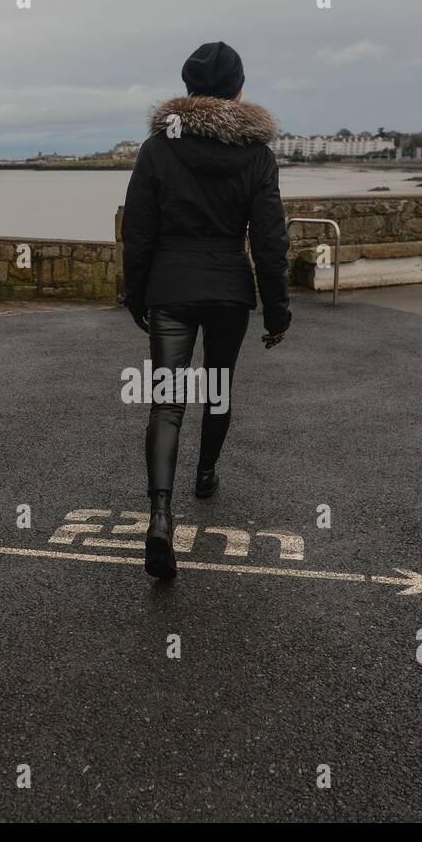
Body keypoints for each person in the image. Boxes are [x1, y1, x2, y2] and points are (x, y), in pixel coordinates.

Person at [121, 41, 292, 580]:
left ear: (188, 90)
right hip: (228, 292)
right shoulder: (258, 157)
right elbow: (270, 242)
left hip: (169, 288)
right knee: (218, 386)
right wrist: (277, 310)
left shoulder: (157, 149)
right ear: (238, 92)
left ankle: (160, 517)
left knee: (166, 403)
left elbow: (138, 233)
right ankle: (206, 475)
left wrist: (136, 292)